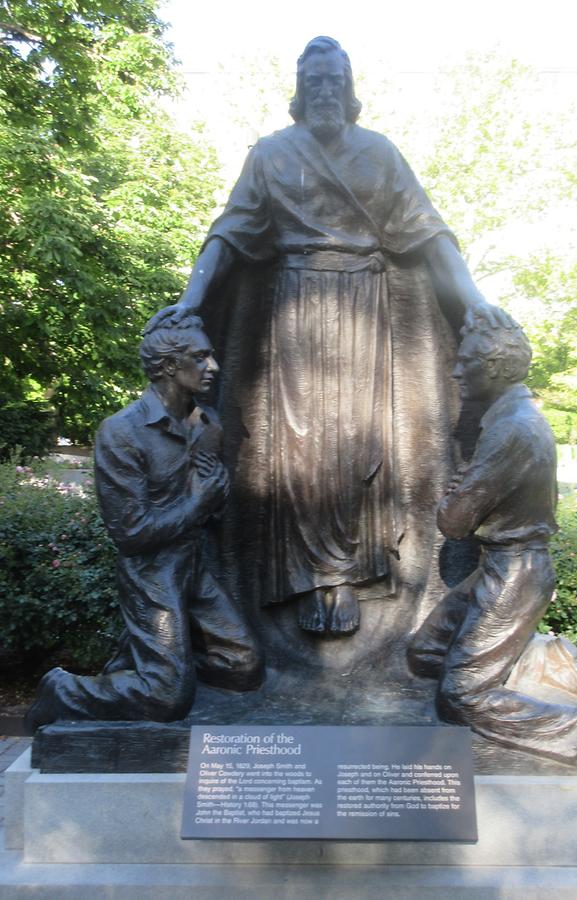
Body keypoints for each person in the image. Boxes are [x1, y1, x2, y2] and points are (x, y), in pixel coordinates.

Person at [147, 36, 510, 639]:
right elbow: (230, 232)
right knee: (298, 448)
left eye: (333, 79)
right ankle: (308, 581)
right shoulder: (270, 154)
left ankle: (351, 577)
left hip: (364, 306)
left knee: (359, 447)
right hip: (295, 308)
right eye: (312, 79)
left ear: (349, 88)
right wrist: (188, 303)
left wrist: (474, 301)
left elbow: (429, 234)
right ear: (299, 88)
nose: (324, 89)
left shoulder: (380, 154)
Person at [407, 316, 577, 773]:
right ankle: (537, 666)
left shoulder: (513, 431)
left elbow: (456, 522)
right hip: (498, 567)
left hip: (515, 572)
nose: (456, 372)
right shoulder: (509, 420)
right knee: (425, 652)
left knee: (462, 695)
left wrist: (452, 495)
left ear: (500, 368)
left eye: (467, 363)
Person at [26, 316, 263, 731]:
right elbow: (131, 534)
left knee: (242, 666)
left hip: (192, 565)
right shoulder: (122, 432)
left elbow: (214, 512)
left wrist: (216, 495)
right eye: (200, 357)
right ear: (169, 365)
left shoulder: (208, 426)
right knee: (167, 698)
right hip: (151, 573)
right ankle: (65, 690)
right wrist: (199, 501)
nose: (214, 367)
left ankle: (148, 667)